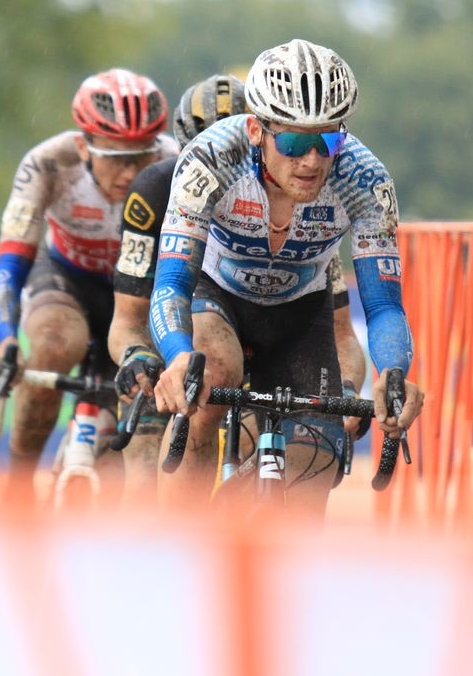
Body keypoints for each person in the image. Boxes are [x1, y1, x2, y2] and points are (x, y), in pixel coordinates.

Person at [147, 39, 425, 510]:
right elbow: (171, 283)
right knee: (209, 381)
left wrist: (393, 373)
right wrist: (177, 357)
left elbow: (382, 306)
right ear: (256, 129)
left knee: (315, 459)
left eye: (328, 140)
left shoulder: (364, 179)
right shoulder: (211, 160)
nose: (313, 160)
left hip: (300, 311)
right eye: (294, 142)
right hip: (217, 296)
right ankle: (178, 547)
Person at [109, 73, 370, 503]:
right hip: (188, 314)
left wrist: (346, 390)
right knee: (159, 445)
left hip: (284, 324)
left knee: (294, 442)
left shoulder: (308, 201)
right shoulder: (157, 190)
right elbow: (131, 316)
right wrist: (138, 356)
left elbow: (341, 332)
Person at [0, 68, 178, 502]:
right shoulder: (49, 163)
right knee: (53, 343)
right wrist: (4, 341)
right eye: (115, 155)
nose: (130, 173)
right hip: (67, 277)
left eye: (141, 156)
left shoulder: (176, 163)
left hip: (138, 292)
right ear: (83, 146)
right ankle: (17, 489)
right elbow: (9, 265)